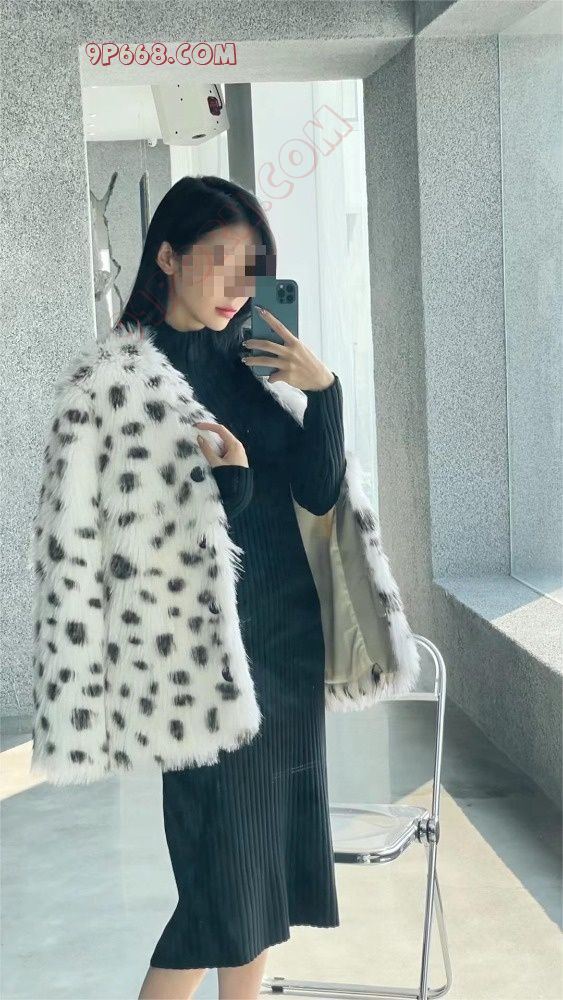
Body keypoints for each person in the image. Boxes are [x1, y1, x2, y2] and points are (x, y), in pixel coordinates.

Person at [122, 175, 347, 1000]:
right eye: (218, 259)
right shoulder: (127, 382)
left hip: (284, 648)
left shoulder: (253, 361)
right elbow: (137, 548)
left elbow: (318, 491)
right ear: (167, 257)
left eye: (250, 268)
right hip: (200, 670)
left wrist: (323, 392)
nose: (234, 286)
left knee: (261, 882)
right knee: (216, 891)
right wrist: (234, 483)